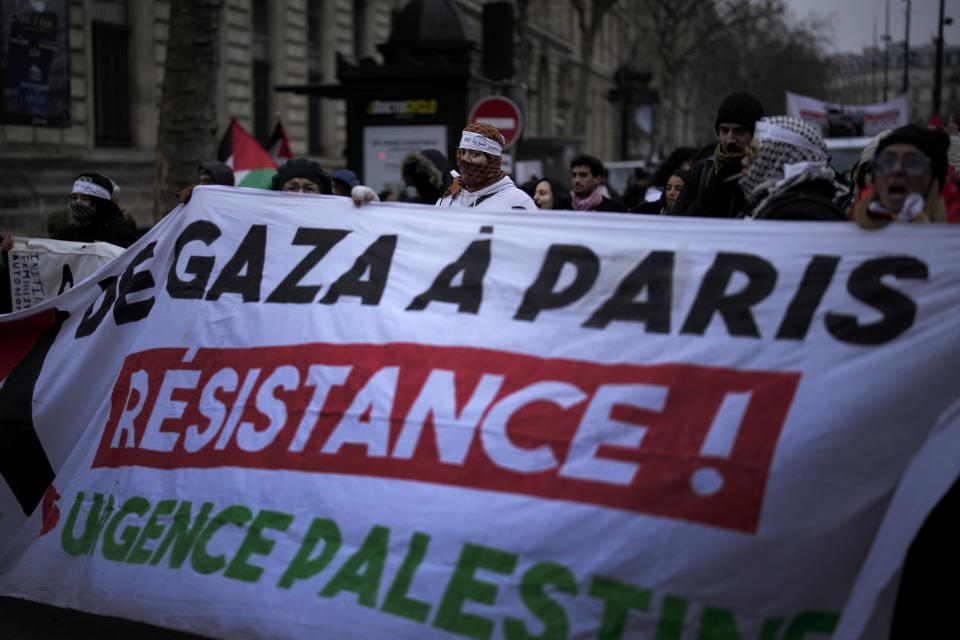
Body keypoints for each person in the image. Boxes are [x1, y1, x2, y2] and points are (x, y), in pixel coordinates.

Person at [674, 90, 765, 218]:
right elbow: (680, 223)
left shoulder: (767, 175)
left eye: (739, 132)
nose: (730, 140)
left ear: (756, 134)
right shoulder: (700, 171)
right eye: (724, 130)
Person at [737, 116, 846, 221]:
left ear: (781, 159)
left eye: (752, 153)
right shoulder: (773, 200)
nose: (744, 161)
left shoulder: (798, 212)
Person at [852, 124, 960, 227]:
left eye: (912, 163)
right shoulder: (851, 225)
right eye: (887, 162)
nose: (896, 169)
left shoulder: (954, 230)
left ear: (932, 178)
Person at [435, 123, 536, 210]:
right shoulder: (449, 196)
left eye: (475, 154)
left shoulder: (518, 202)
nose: (465, 159)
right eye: (462, 152)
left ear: (493, 160)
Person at [54, 173, 138, 248]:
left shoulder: (121, 234)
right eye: (74, 197)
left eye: (85, 198)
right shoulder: (67, 234)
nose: (77, 203)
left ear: (100, 204)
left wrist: (107, 250)